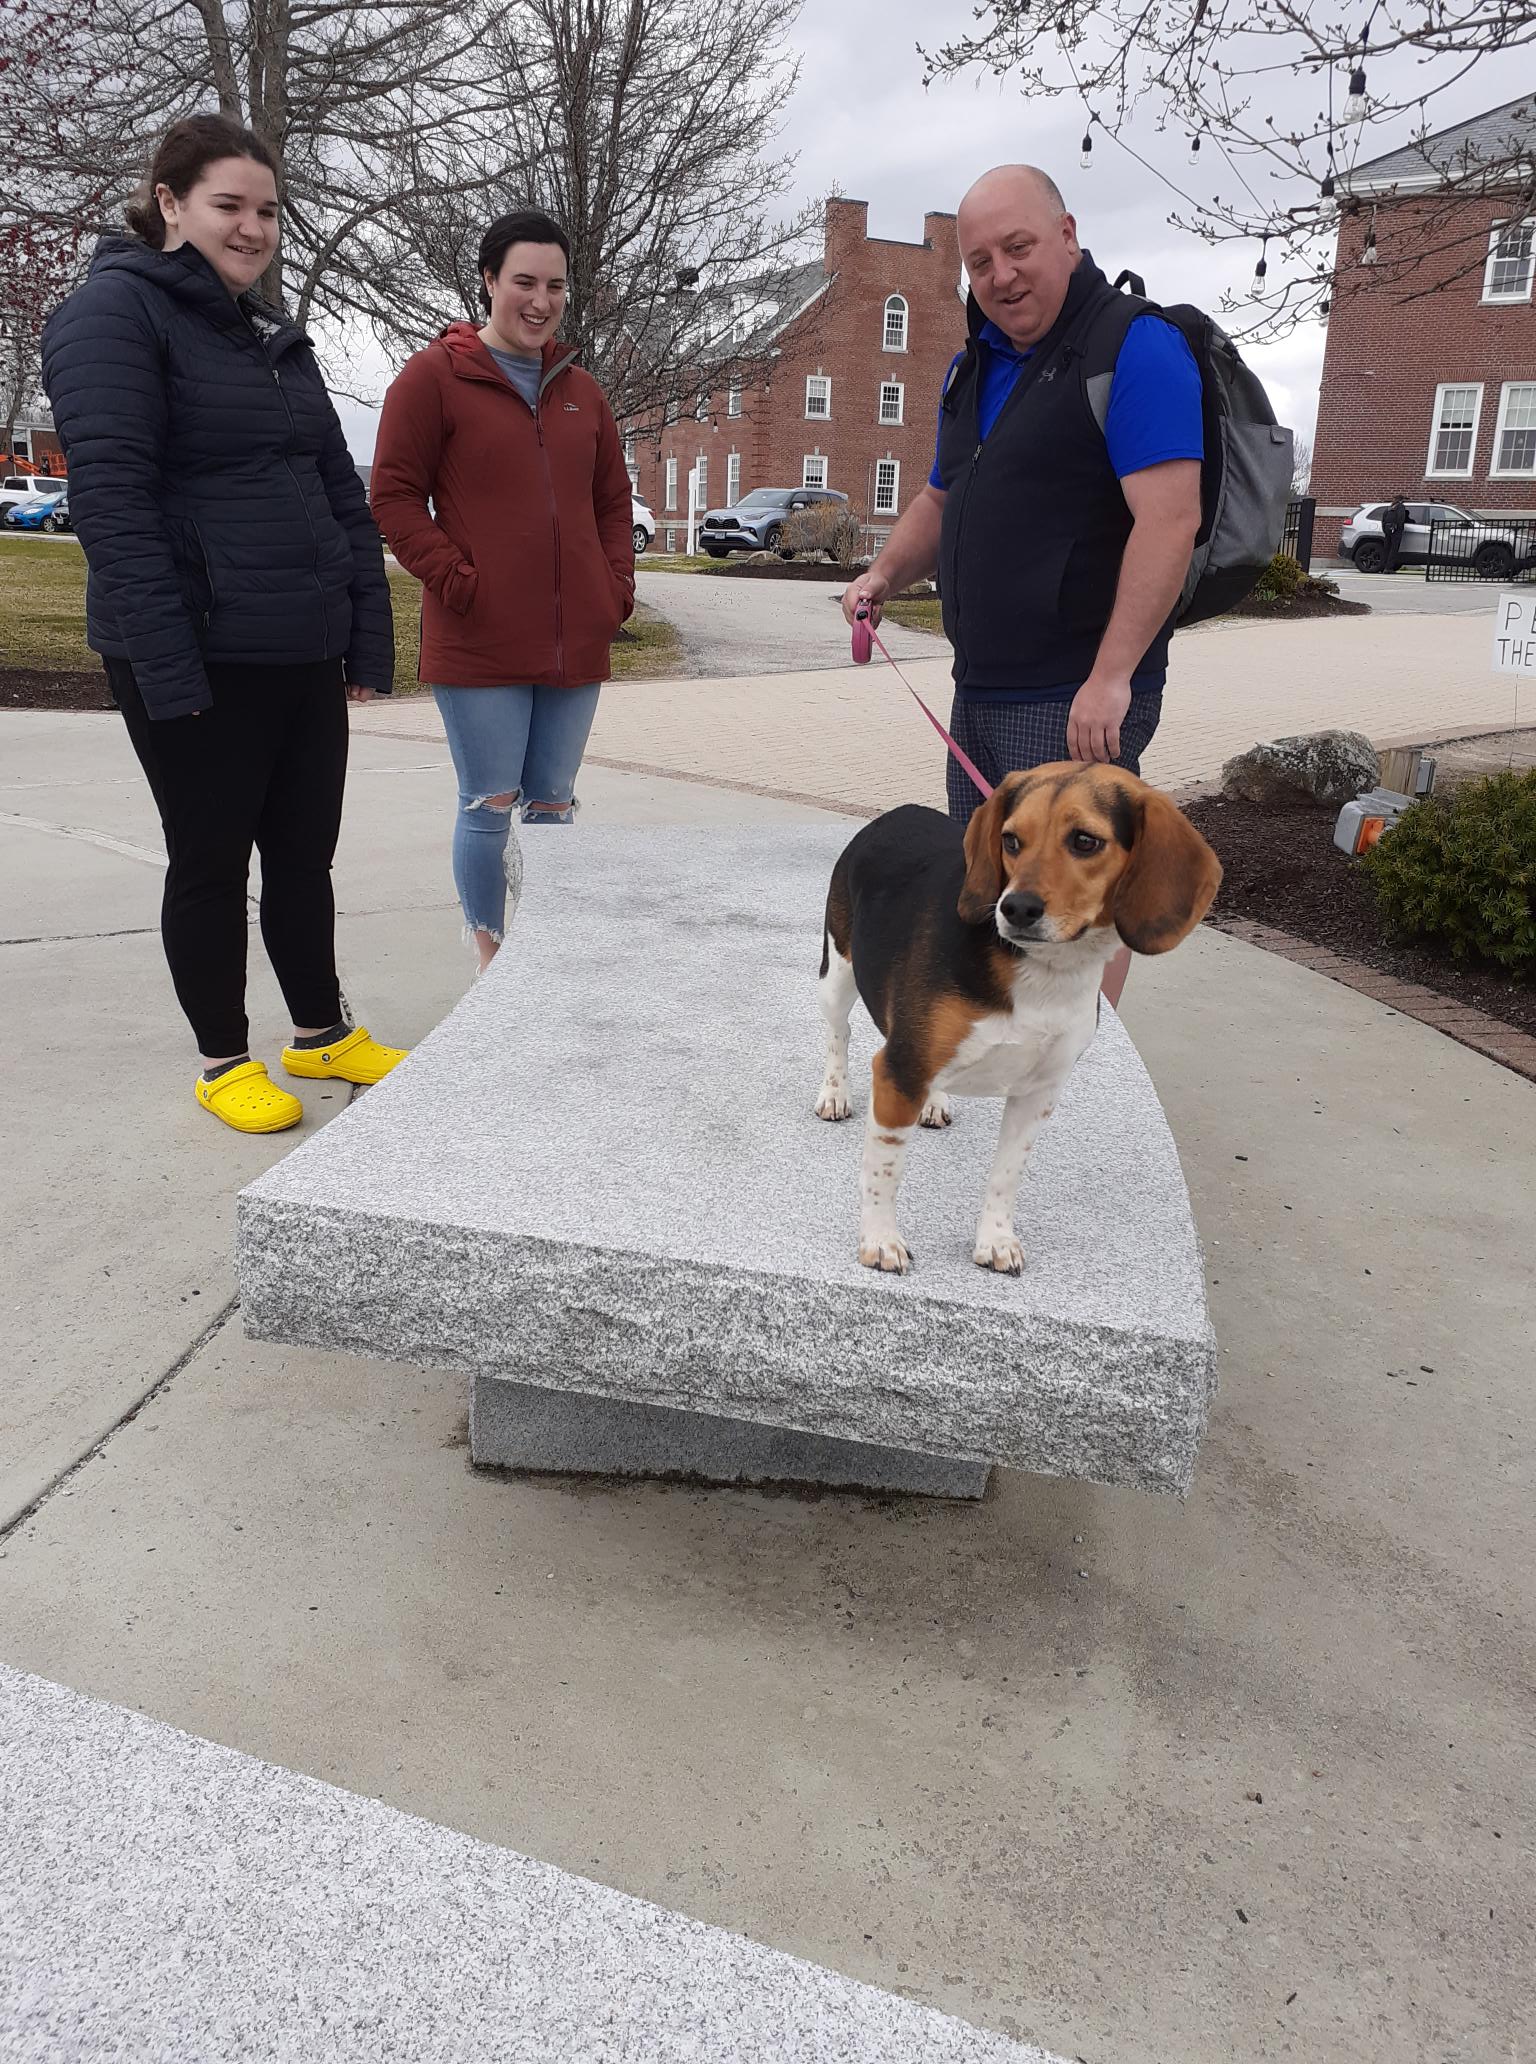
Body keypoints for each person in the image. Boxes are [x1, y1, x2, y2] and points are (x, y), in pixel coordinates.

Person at [42, 114, 405, 1135]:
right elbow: (113, 507)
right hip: (196, 648)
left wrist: (365, 633)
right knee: (210, 860)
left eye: (268, 210)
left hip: (300, 641)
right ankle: (222, 1059)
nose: (253, 228)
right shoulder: (110, 315)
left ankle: (321, 1031)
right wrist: (170, 670)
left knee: (303, 853)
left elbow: (338, 492)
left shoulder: (265, 331)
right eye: (229, 206)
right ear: (169, 203)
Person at [842, 164, 1204, 1007]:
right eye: (979, 262)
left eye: (1018, 248)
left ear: (1067, 236)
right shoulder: (973, 367)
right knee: (995, 887)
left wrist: (1111, 677)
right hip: (981, 686)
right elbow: (941, 497)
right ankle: (1005, 1050)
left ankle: (1083, 1061)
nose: (1000, 276)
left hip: (1075, 693)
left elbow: (1169, 520)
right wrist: (884, 573)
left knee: (1078, 899)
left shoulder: (1134, 348)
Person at [370, 208, 635, 973]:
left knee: (552, 805)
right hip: (479, 635)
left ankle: (542, 957)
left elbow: (613, 502)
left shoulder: (583, 392)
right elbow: (392, 497)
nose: (541, 300)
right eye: (524, 281)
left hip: (574, 639)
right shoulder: (434, 378)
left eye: (556, 285)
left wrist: (613, 588)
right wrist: (459, 580)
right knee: (489, 803)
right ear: (489, 280)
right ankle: (491, 959)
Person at [1382, 494, 1409, 573]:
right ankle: (1389, 568)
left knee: (1387, 549)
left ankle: (1384, 567)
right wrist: (1399, 528)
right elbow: (1401, 518)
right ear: (1400, 500)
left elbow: (1383, 519)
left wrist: (1385, 529)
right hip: (1396, 531)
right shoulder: (1400, 507)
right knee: (1394, 549)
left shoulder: (1389, 507)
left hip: (1387, 530)